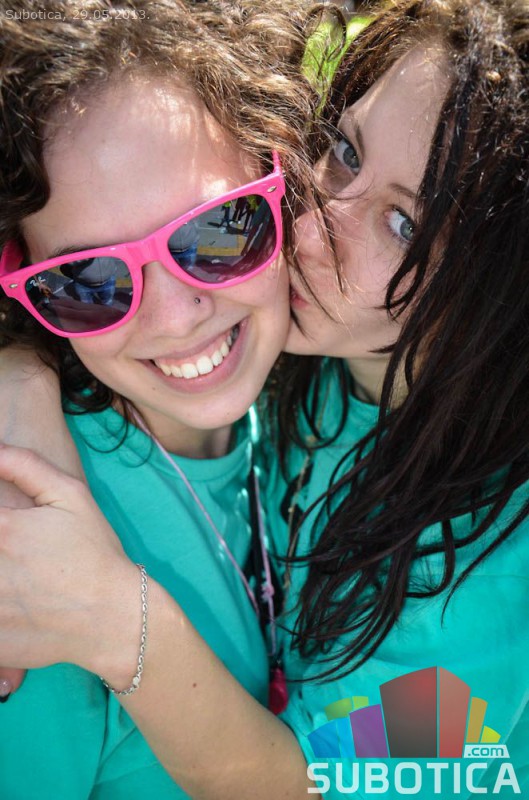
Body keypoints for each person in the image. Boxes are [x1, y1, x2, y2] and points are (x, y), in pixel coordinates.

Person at [1, 0, 529, 798]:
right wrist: (21, 371)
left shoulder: (494, 566)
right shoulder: (296, 355)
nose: (309, 225)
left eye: (400, 223)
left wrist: (116, 621)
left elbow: (329, 788)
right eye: (343, 151)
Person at [0, 0, 320, 797]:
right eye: (86, 281)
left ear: (281, 181)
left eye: (219, 231)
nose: (175, 316)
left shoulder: (314, 405)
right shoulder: (29, 553)